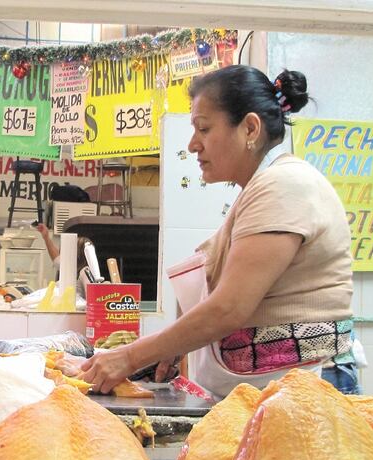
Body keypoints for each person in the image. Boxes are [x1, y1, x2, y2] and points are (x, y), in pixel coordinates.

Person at [82, 65, 356, 398]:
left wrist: (130, 356)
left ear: (250, 128)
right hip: (278, 390)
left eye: (204, 128)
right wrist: (175, 344)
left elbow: (229, 308)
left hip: (307, 392)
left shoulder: (283, 186)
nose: (193, 144)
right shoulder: (262, 188)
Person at [35, 222, 91, 296]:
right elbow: (56, 258)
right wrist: (46, 237)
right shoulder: (67, 267)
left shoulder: (85, 272)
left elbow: (91, 296)